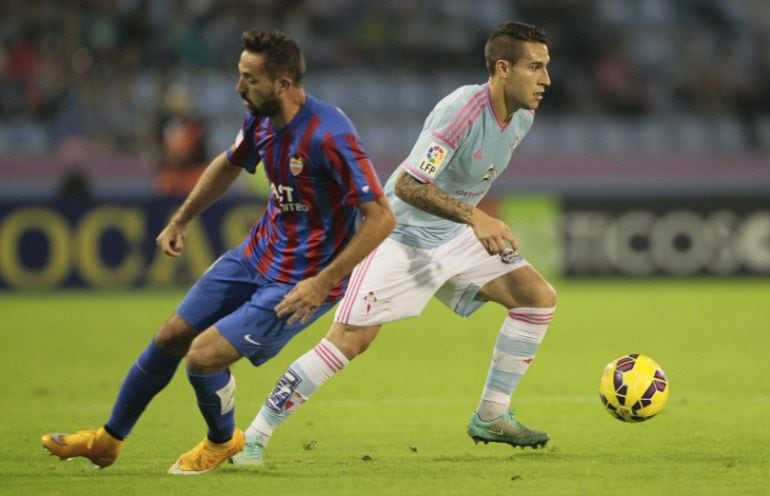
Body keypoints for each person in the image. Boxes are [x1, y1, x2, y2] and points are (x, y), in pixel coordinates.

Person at [41, 29, 395, 475]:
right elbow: (229, 163)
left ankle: (222, 442)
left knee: (203, 357)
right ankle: (106, 441)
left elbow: (382, 216)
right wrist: (181, 218)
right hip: (255, 255)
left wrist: (323, 283)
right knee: (171, 336)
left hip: (300, 281)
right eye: (239, 75)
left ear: (283, 83)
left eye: (249, 78)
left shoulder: (330, 135)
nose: (238, 87)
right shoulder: (261, 119)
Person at [231, 21, 556, 466]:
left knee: (536, 298)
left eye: (546, 67)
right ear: (503, 68)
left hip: (452, 237)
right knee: (349, 341)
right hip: (400, 238)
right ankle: (253, 437)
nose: (546, 80)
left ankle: (491, 414)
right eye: (535, 67)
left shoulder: (523, 116)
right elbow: (407, 185)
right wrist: (475, 216)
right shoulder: (461, 110)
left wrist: (468, 220)